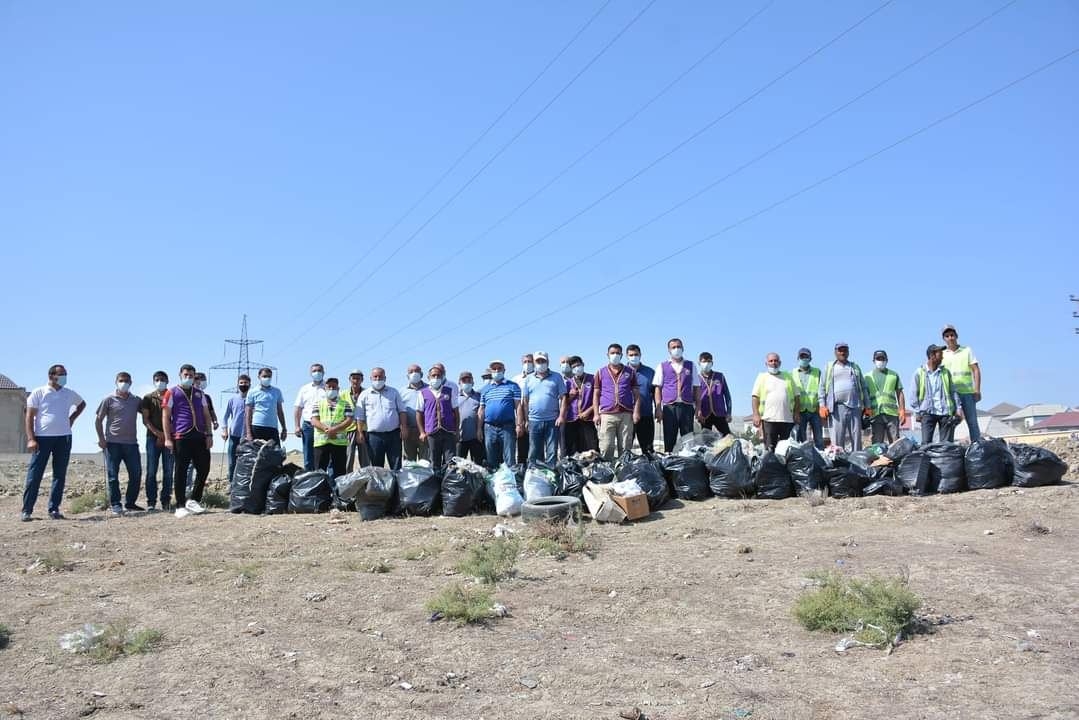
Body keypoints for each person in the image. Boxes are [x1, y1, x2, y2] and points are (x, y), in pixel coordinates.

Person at [22, 364, 85, 521]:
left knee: (59, 475)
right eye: (61, 374)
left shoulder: (68, 393)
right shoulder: (39, 392)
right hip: (42, 438)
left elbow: (82, 404)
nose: (64, 377)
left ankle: (54, 509)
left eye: (65, 374)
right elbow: (29, 416)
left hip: (63, 438)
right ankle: (27, 510)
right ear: (51, 376)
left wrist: (72, 418)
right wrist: (31, 438)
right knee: (35, 474)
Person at [162, 364, 214, 518]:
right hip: (181, 436)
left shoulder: (199, 393)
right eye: (186, 375)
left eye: (191, 375)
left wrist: (209, 434)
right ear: (180, 374)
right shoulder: (171, 392)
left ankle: (194, 500)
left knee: (204, 468)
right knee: (181, 471)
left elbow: (206, 414)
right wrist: (167, 438)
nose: (188, 378)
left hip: (199, 435)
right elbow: (166, 416)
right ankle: (179, 505)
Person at [94, 371, 143, 515]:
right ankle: (116, 504)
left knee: (136, 473)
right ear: (116, 382)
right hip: (112, 443)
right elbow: (98, 420)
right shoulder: (108, 399)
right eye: (121, 380)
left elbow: (147, 414)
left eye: (127, 381)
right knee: (113, 476)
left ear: (131, 383)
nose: (124, 383)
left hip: (131, 444)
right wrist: (101, 439)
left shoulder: (136, 400)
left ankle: (131, 503)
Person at [818, 342, 870, 451]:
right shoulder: (829, 367)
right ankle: (838, 464)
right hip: (836, 408)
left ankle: (857, 462)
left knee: (856, 439)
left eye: (845, 350)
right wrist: (822, 405)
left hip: (855, 407)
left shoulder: (855, 367)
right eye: (840, 350)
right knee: (837, 441)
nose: (842, 352)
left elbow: (864, 388)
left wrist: (867, 406)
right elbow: (822, 387)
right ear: (835, 352)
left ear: (848, 352)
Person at [354, 367, 408, 470]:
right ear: (371, 378)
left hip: (394, 434)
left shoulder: (394, 392)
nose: (378, 379)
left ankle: (396, 485)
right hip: (374, 436)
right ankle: (380, 486)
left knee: (396, 465)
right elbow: (359, 416)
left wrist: (404, 427)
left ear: (385, 378)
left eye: (380, 376)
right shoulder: (364, 395)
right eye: (375, 377)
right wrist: (359, 432)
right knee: (377, 466)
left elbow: (402, 411)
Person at [593, 344, 640, 460]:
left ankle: (623, 470)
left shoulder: (630, 372)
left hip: (626, 414)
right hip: (607, 414)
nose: (615, 355)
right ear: (607, 355)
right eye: (613, 353)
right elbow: (596, 394)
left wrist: (636, 412)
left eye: (618, 353)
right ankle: (607, 471)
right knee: (606, 445)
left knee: (625, 446)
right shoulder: (600, 372)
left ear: (622, 355)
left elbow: (636, 394)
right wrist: (596, 414)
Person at [912, 344, 963, 444]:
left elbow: (953, 391)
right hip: (927, 412)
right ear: (932, 356)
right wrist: (917, 411)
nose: (942, 356)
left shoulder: (945, 373)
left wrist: (958, 408)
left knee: (947, 445)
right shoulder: (919, 373)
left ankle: (946, 460)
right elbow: (913, 394)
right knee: (926, 444)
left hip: (945, 413)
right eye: (940, 354)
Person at [521, 351, 566, 464]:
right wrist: (526, 420)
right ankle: (534, 475)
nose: (541, 363)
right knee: (534, 451)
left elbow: (563, 397)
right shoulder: (528, 379)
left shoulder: (556, 377)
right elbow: (525, 401)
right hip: (534, 421)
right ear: (534, 363)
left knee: (552, 452)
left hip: (552, 421)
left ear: (548, 362)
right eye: (538, 361)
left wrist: (561, 416)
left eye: (543, 361)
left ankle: (551, 476)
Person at [655, 338, 699, 452]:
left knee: (688, 439)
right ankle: (669, 463)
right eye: (673, 347)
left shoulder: (691, 365)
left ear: (683, 348)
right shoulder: (662, 366)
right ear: (669, 350)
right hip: (670, 407)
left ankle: (688, 463)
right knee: (669, 438)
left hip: (687, 406)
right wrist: (658, 408)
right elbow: (658, 388)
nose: (676, 349)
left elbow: (696, 387)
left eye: (678, 347)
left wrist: (698, 407)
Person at [140, 370, 174, 511]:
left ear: (167, 380)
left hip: (170, 439)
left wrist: (166, 436)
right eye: (157, 379)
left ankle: (166, 501)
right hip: (152, 438)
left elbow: (176, 417)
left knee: (168, 470)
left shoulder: (173, 396)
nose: (160, 381)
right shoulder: (148, 398)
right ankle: (151, 502)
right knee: (152, 470)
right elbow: (145, 419)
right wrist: (158, 434)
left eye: (162, 379)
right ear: (154, 381)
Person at [750, 353, 799, 452]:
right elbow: (755, 397)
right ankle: (771, 467)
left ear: (780, 363)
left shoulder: (788, 376)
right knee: (770, 448)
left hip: (787, 419)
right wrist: (756, 414)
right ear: (766, 363)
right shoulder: (762, 377)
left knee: (786, 449)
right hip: (769, 419)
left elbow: (797, 396)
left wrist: (796, 412)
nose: (773, 363)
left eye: (776, 361)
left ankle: (784, 467)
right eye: (771, 361)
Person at [941, 324, 982, 442]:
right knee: (950, 423)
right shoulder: (942, 354)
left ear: (956, 336)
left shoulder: (967, 350)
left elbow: (976, 370)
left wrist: (977, 390)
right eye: (947, 336)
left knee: (972, 422)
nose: (950, 338)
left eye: (952, 335)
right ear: (944, 338)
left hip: (967, 393)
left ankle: (977, 446)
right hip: (950, 395)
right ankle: (948, 449)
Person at [416, 365, 460, 472]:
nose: (436, 378)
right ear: (428, 377)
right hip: (432, 432)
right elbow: (419, 413)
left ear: (442, 377)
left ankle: (448, 485)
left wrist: (457, 430)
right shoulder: (423, 393)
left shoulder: (449, 391)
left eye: (438, 375)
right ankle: (436, 485)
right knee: (434, 461)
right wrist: (422, 432)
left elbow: (456, 412)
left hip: (448, 431)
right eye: (433, 375)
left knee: (450, 461)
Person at [479, 360, 522, 469]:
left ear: (504, 370)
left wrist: (519, 425)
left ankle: (511, 483)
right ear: (491, 371)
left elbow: (518, 406)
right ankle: (494, 484)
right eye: (494, 369)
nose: (497, 371)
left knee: (509, 459)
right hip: (489, 428)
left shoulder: (513, 386)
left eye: (499, 368)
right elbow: (481, 409)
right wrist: (479, 428)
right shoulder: (485, 389)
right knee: (491, 459)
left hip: (507, 427)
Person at [311, 377, 353, 475]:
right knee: (319, 471)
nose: (331, 389)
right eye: (329, 387)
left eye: (334, 387)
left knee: (340, 471)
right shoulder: (318, 403)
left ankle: (338, 490)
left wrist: (334, 429)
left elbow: (349, 420)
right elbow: (314, 420)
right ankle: (321, 490)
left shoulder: (345, 404)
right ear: (325, 389)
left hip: (339, 442)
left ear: (338, 389)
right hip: (322, 442)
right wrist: (327, 429)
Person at [863, 350, 906, 444]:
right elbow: (864, 396)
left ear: (887, 360)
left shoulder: (893, 375)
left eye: (883, 358)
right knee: (877, 444)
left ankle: (896, 459)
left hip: (892, 414)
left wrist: (902, 410)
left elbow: (900, 393)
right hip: (875, 414)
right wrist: (866, 411)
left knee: (895, 443)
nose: (881, 361)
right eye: (878, 359)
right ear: (873, 360)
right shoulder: (867, 377)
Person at [562, 356, 598, 455]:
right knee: (572, 450)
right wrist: (570, 396)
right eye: (574, 367)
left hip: (588, 419)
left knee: (592, 450)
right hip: (571, 420)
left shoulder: (593, 379)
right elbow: (564, 403)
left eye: (579, 365)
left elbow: (598, 399)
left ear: (583, 364)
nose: (577, 368)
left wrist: (589, 411)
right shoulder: (568, 383)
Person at [293, 363, 327, 471]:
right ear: (310, 373)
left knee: (324, 455)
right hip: (308, 426)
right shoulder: (305, 389)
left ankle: (323, 479)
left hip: (324, 426)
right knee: (308, 456)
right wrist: (297, 426)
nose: (317, 373)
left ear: (323, 372)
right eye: (314, 371)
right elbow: (298, 408)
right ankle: (308, 480)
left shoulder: (328, 388)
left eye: (319, 370)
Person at [220, 374, 250, 487]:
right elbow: (225, 417)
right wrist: (224, 430)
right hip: (234, 436)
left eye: (245, 383)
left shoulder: (252, 398)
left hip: (247, 436)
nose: (243, 385)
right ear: (237, 385)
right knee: (232, 462)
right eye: (241, 383)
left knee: (246, 462)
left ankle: (243, 486)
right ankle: (231, 484)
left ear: (249, 384)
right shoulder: (232, 400)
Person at [627, 344, 656, 457]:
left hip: (646, 414)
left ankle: (651, 470)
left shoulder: (650, 372)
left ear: (640, 355)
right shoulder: (623, 372)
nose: (634, 357)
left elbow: (655, 393)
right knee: (626, 448)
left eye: (636, 354)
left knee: (648, 449)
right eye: (631, 355)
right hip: (627, 416)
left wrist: (658, 409)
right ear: (627, 356)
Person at [792, 348, 824, 450]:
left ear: (810, 358)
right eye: (802, 356)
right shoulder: (792, 373)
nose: (804, 359)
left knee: (819, 438)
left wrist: (822, 407)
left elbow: (822, 389)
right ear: (798, 358)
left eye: (806, 356)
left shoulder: (817, 372)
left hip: (815, 410)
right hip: (800, 411)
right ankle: (804, 460)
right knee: (801, 439)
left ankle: (821, 458)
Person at [245, 368, 288, 443]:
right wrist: (248, 432)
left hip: (272, 427)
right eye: (264, 376)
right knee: (257, 453)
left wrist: (284, 428)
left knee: (274, 453)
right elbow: (248, 413)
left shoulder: (277, 391)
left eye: (269, 376)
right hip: (257, 426)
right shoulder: (252, 392)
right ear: (259, 377)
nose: (267, 378)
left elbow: (280, 411)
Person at [695, 351, 732, 435]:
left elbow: (727, 395)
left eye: (709, 361)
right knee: (706, 440)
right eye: (704, 361)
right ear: (699, 363)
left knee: (727, 437)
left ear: (712, 363)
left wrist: (729, 412)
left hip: (719, 412)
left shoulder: (720, 376)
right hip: (704, 414)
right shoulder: (696, 378)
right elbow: (694, 398)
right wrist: (697, 411)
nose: (706, 364)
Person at [399, 363, 428, 462]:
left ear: (422, 374)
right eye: (411, 372)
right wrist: (403, 428)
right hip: (408, 431)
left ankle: (426, 478)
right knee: (409, 462)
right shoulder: (401, 392)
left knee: (425, 462)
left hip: (425, 431)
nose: (414, 373)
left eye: (416, 371)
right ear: (407, 376)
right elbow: (399, 411)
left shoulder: (429, 389)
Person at [456, 371, 485, 464]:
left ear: (473, 382)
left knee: (477, 464)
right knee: (459, 465)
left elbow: (482, 413)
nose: (466, 383)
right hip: (460, 438)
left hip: (476, 437)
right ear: (459, 383)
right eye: (464, 381)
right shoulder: (455, 397)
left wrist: (479, 430)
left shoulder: (479, 396)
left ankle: (476, 479)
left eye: (469, 380)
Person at [511, 353, 535, 463]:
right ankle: (522, 472)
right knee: (521, 448)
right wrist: (520, 422)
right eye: (525, 362)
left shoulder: (538, 377)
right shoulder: (515, 380)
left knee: (536, 448)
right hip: (519, 420)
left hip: (534, 418)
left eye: (529, 361)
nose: (527, 364)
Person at [345, 369, 370, 471]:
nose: (356, 381)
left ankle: (367, 481)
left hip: (364, 429)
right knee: (348, 458)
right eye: (353, 378)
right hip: (348, 430)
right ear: (350, 380)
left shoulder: (367, 393)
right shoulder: (343, 394)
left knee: (365, 459)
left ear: (362, 380)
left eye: (358, 378)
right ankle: (347, 481)